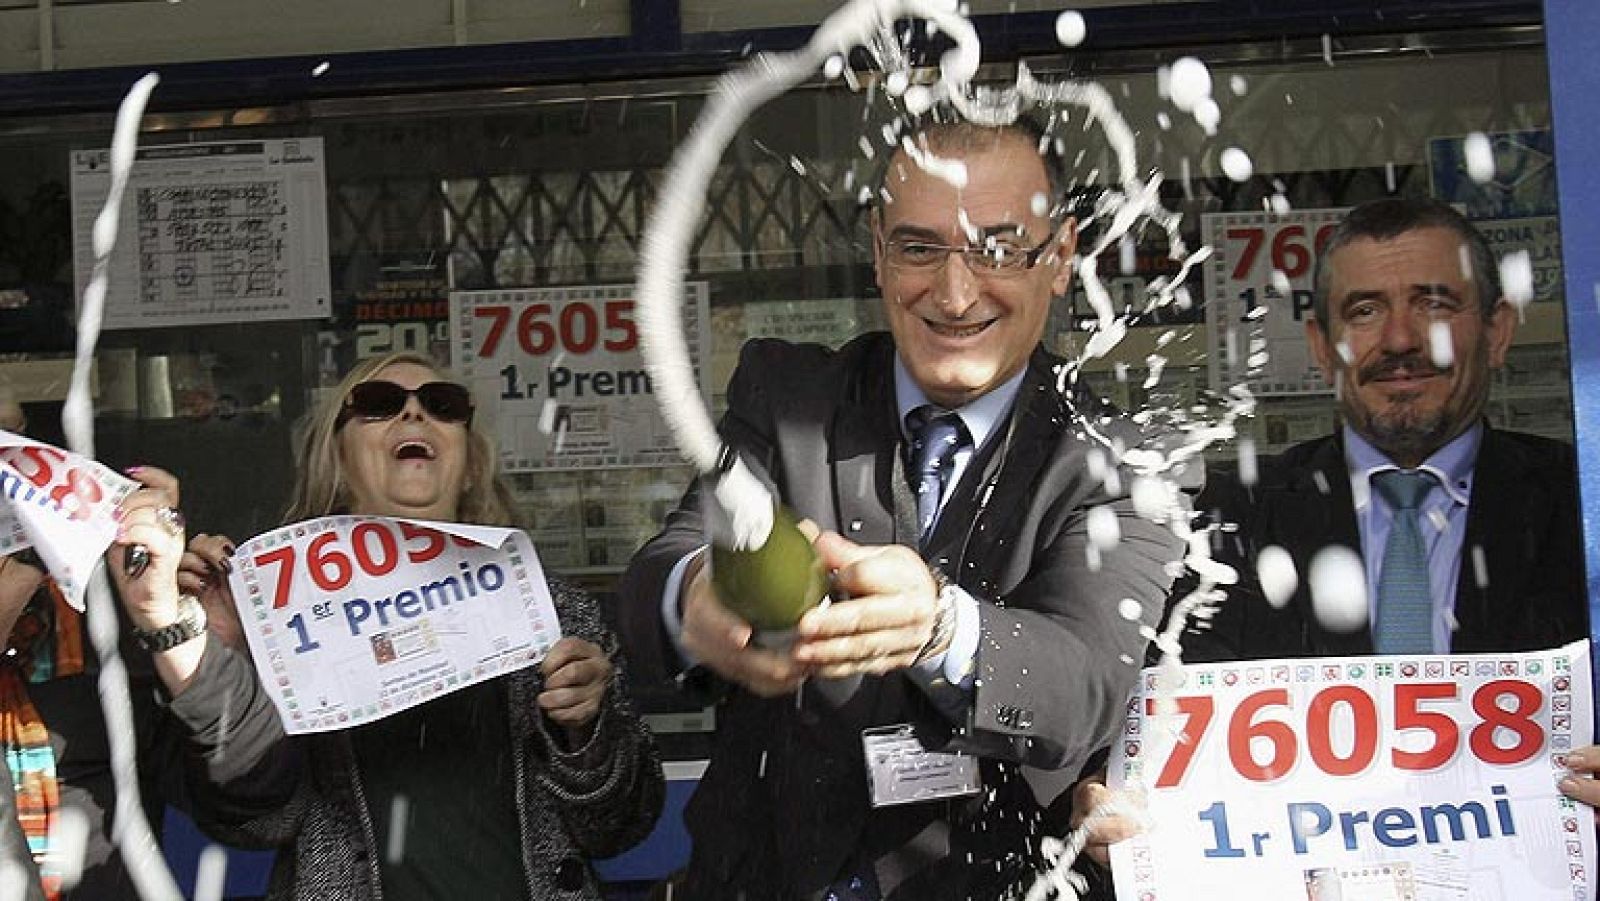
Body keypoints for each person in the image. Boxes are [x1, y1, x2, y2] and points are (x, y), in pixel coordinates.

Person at [618, 118, 1195, 900]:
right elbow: (670, 558)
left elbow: (1087, 685)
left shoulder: (1121, 463)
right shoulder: (788, 397)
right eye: (920, 248)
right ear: (879, 250)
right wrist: (693, 595)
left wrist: (943, 628)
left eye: (997, 248)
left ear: (1060, 256)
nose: (955, 295)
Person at [1069, 196, 1589, 880]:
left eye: (1433, 302)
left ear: (1497, 331)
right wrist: (1107, 814)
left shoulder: (1586, 506)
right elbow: (1141, 736)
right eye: (1364, 310)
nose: (1400, 339)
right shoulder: (1222, 520)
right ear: (1321, 346)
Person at [105, 351, 665, 900]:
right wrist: (207, 653)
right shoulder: (274, 615)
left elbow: (618, 828)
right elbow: (253, 824)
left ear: (470, 465)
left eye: (442, 405)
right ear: (339, 461)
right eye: (380, 404)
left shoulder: (552, 609)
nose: (414, 414)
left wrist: (585, 733)